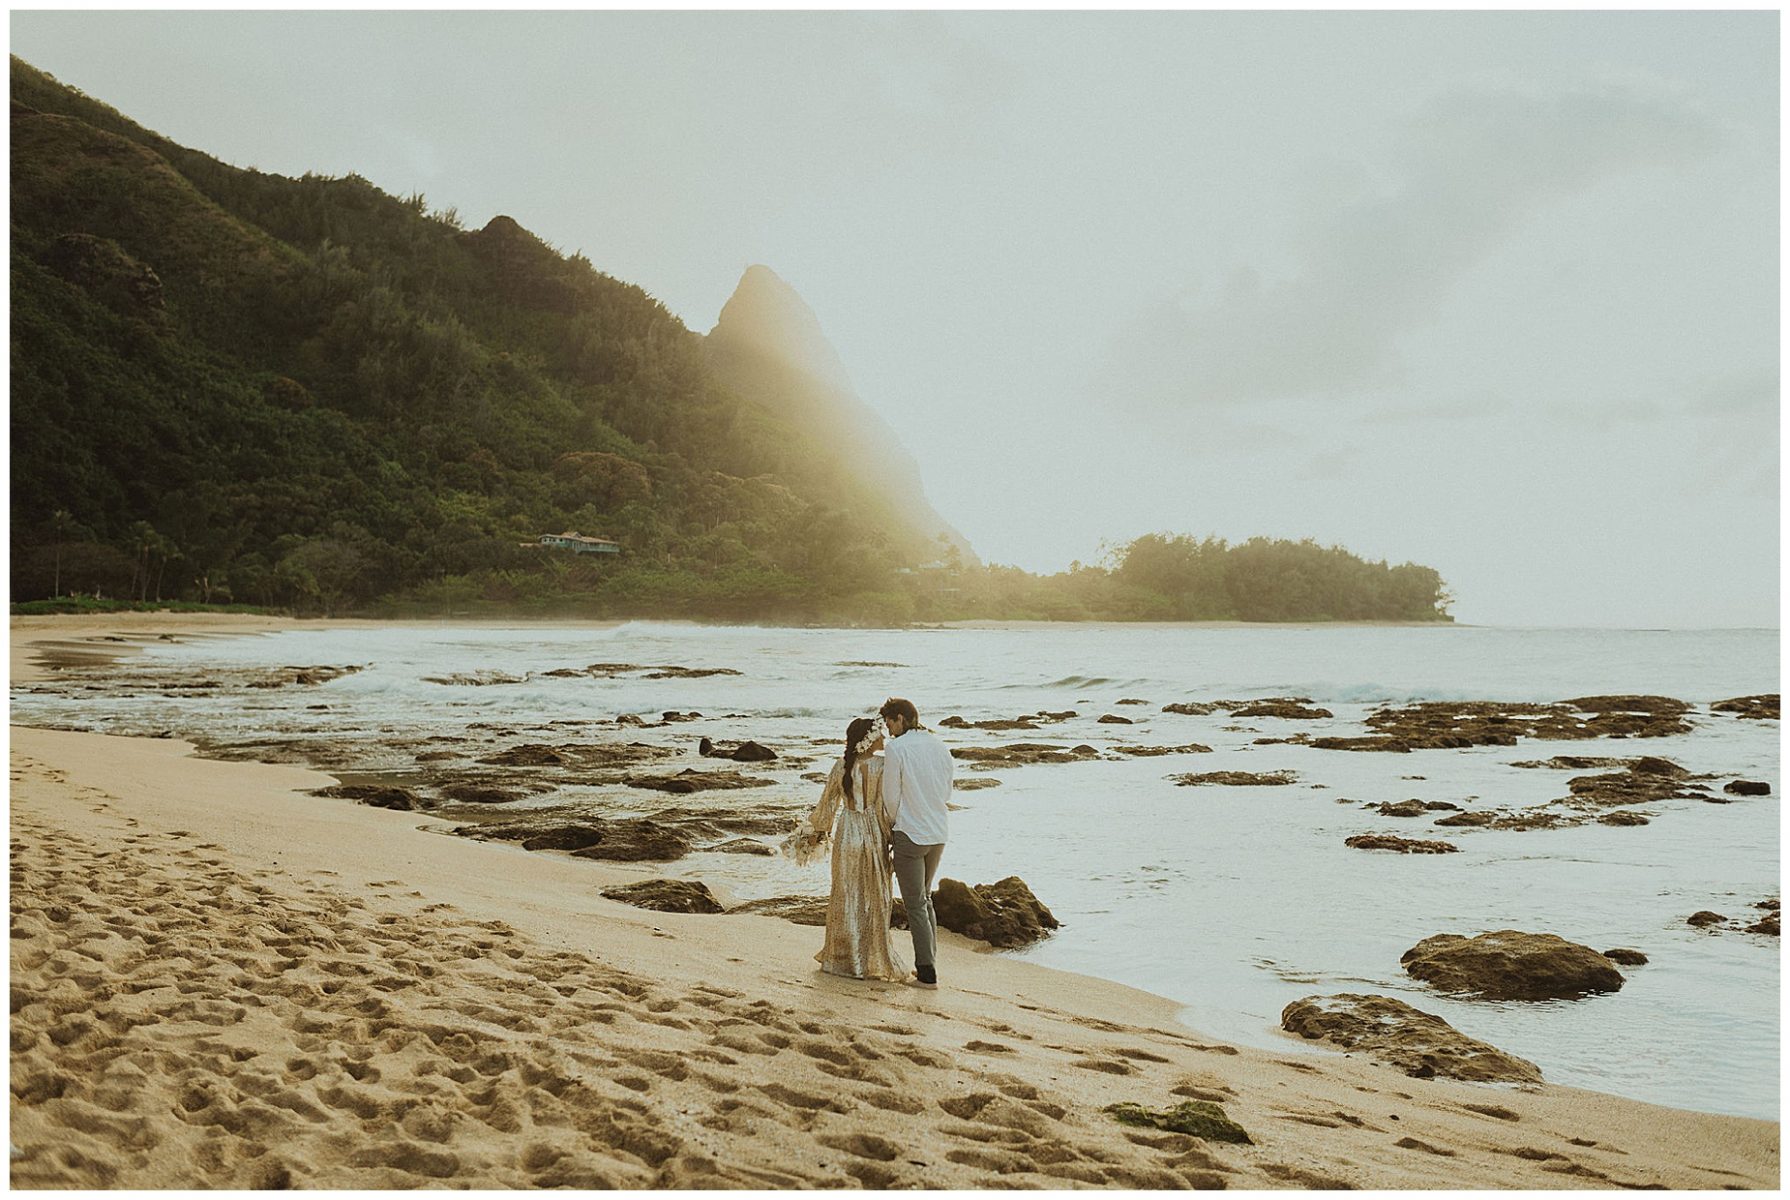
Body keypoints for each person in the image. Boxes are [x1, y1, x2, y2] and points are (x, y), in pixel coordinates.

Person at [783, 716, 910, 982]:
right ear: (868, 740)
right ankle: (870, 959)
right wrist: (893, 839)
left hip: (846, 835)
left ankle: (842, 959)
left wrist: (809, 840)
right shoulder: (882, 766)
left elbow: (826, 808)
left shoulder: (840, 766)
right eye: (878, 734)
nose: (883, 739)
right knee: (875, 897)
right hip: (872, 834)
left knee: (845, 896)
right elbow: (885, 808)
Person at [879, 697, 953, 989]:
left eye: (889, 723)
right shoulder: (939, 745)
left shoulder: (896, 748)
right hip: (938, 831)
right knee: (926, 899)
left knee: (915, 905)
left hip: (910, 832)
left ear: (900, 718)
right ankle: (928, 964)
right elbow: (946, 791)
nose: (888, 730)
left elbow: (891, 797)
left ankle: (927, 974)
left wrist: (895, 824)